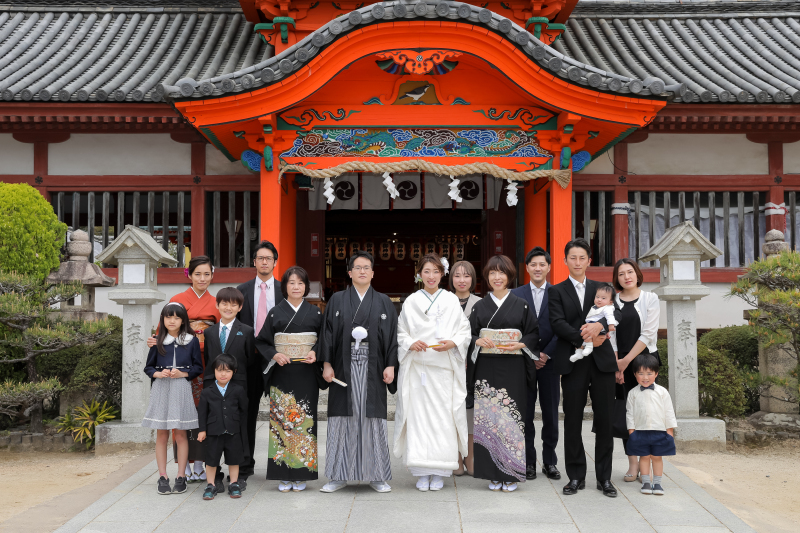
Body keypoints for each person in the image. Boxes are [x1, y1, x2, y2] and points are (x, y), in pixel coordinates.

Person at [319, 251, 399, 493]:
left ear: (373, 273)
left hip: (373, 367)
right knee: (342, 420)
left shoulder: (384, 301)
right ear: (350, 272)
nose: (362, 271)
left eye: (367, 267)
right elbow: (328, 333)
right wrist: (327, 364)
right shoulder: (337, 300)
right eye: (358, 267)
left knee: (372, 419)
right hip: (343, 367)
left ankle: (376, 475)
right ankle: (337, 475)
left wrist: (391, 364)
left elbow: (392, 336)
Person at [548, 238, 619, 498]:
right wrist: (585, 336)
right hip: (574, 362)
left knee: (604, 420)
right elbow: (557, 323)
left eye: (582, 258)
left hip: (602, 363)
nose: (577, 262)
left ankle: (605, 478)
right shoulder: (556, 291)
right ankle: (575, 476)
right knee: (573, 420)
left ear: (589, 261)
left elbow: (616, 313)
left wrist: (600, 327)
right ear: (565, 260)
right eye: (572, 258)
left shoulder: (601, 288)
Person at [395, 254, 471, 492]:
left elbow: (464, 331)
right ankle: (420, 470)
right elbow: (400, 331)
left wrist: (453, 343)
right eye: (426, 271)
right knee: (418, 419)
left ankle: (440, 471)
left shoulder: (449, 300)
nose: (430, 276)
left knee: (443, 419)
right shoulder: (411, 301)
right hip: (418, 369)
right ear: (419, 274)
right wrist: (410, 343)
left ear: (442, 274)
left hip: (443, 371)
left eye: (435, 272)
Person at [467, 255, 539, 492]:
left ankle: (511, 473)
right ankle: (491, 473)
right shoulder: (479, 306)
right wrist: (478, 340)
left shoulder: (522, 304)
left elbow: (532, 333)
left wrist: (522, 344)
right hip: (486, 369)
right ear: (487, 277)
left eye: (502, 273)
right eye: (492, 273)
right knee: (488, 419)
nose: (497, 277)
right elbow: (470, 334)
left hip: (513, 368)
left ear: (509, 276)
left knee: (511, 419)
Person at [147, 255, 220, 482]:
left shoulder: (216, 302)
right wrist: (154, 340)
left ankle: (200, 462)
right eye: (197, 274)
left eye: (207, 274)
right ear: (189, 275)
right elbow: (163, 331)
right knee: (177, 416)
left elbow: (217, 332)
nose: (202, 278)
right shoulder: (178, 299)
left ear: (212, 275)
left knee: (201, 412)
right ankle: (183, 465)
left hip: (204, 363)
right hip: (177, 362)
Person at [256, 266, 327, 492]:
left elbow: (325, 339)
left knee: (305, 423)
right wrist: (275, 354)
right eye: (291, 283)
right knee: (282, 423)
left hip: (306, 373)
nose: (296, 287)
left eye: (300, 283)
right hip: (282, 374)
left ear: (306, 287)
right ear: (284, 286)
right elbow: (262, 341)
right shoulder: (276, 312)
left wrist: (315, 351)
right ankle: (282, 473)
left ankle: (302, 473)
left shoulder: (315, 313)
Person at [142, 302, 203, 495]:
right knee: (162, 433)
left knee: (180, 434)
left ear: (183, 320)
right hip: (162, 389)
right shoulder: (157, 340)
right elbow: (148, 367)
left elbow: (198, 368)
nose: (172, 320)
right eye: (169, 317)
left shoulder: (191, 341)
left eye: (177, 317)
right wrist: (157, 374)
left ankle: (180, 476)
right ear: (163, 319)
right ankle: (162, 476)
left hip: (182, 388)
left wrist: (183, 374)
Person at [511, 247, 561, 481]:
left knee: (551, 414)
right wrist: (531, 353)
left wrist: (546, 354)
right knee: (525, 414)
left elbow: (562, 328)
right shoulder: (516, 294)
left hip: (550, 363)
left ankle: (549, 462)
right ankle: (528, 461)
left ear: (549, 267)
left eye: (542, 264)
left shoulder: (559, 293)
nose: (538, 268)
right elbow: (513, 327)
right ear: (527, 267)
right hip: (523, 362)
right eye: (533, 264)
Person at [236, 241, 285, 478]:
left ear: (275, 262)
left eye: (269, 258)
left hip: (278, 360)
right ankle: (245, 465)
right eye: (260, 258)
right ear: (254, 262)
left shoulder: (284, 290)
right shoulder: (241, 291)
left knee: (284, 411)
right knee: (247, 413)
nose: (264, 262)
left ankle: (285, 464)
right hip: (249, 360)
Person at [612, 258, 661, 483]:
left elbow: (648, 334)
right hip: (619, 364)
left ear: (637, 273)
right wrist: (616, 364)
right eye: (621, 274)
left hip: (644, 363)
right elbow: (610, 335)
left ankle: (646, 464)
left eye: (630, 272)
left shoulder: (650, 298)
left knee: (646, 414)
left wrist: (626, 361)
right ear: (617, 278)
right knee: (627, 414)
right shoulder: (612, 301)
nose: (626, 277)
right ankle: (632, 465)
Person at [202, 287, 254, 493]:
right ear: (217, 305)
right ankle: (215, 476)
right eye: (224, 303)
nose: (228, 307)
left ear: (240, 307)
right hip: (214, 387)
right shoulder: (210, 332)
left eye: (233, 304)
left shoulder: (247, 331)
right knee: (214, 430)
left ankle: (240, 474)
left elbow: (250, 360)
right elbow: (208, 360)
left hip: (238, 387)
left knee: (239, 429)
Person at [197, 354, 249, 500]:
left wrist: (239, 427)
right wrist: (202, 430)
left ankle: (234, 483)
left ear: (234, 372)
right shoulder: (207, 391)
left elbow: (243, 409)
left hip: (233, 430)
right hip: (214, 431)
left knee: (234, 459)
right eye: (220, 370)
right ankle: (211, 484)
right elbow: (202, 413)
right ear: (214, 371)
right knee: (212, 459)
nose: (223, 374)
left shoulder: (238, 389)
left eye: (227, 371)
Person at [625, 353, 676, 495]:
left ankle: (658, 484)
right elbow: (629, 413)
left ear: (656, 374)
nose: (645, 377)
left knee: (657, 457)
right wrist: (631, 431)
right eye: (641, 373)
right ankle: (646, 482)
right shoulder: (632, 393)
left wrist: (669, 430)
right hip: (640, 431)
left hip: (659, 431)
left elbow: (669, 411)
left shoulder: (662, 392)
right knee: (644, 456)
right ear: (635, 374)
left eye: (649, 373)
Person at [449, 260, 481, 476]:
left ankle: (471, 456)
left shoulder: (481, 303)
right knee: (452, 410)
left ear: (473, 279)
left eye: (466, 275)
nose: (462, 280)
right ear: (451, 278)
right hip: (449, 364)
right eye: (457, 275)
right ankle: (455, 458)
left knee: (470, 412)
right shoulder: (443, 301)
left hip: (474, 365)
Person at [570, 283, 617, 362]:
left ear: (610, 302)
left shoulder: (607, 308)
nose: (599, 299)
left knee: (588, 335)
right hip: (589, 325)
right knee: (581, 336)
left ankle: (589, 347)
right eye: (597, 297)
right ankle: (578, 352)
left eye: (603, 298)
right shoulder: (594, 307)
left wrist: (611, 325)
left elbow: (610, 317)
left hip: (597, 328)